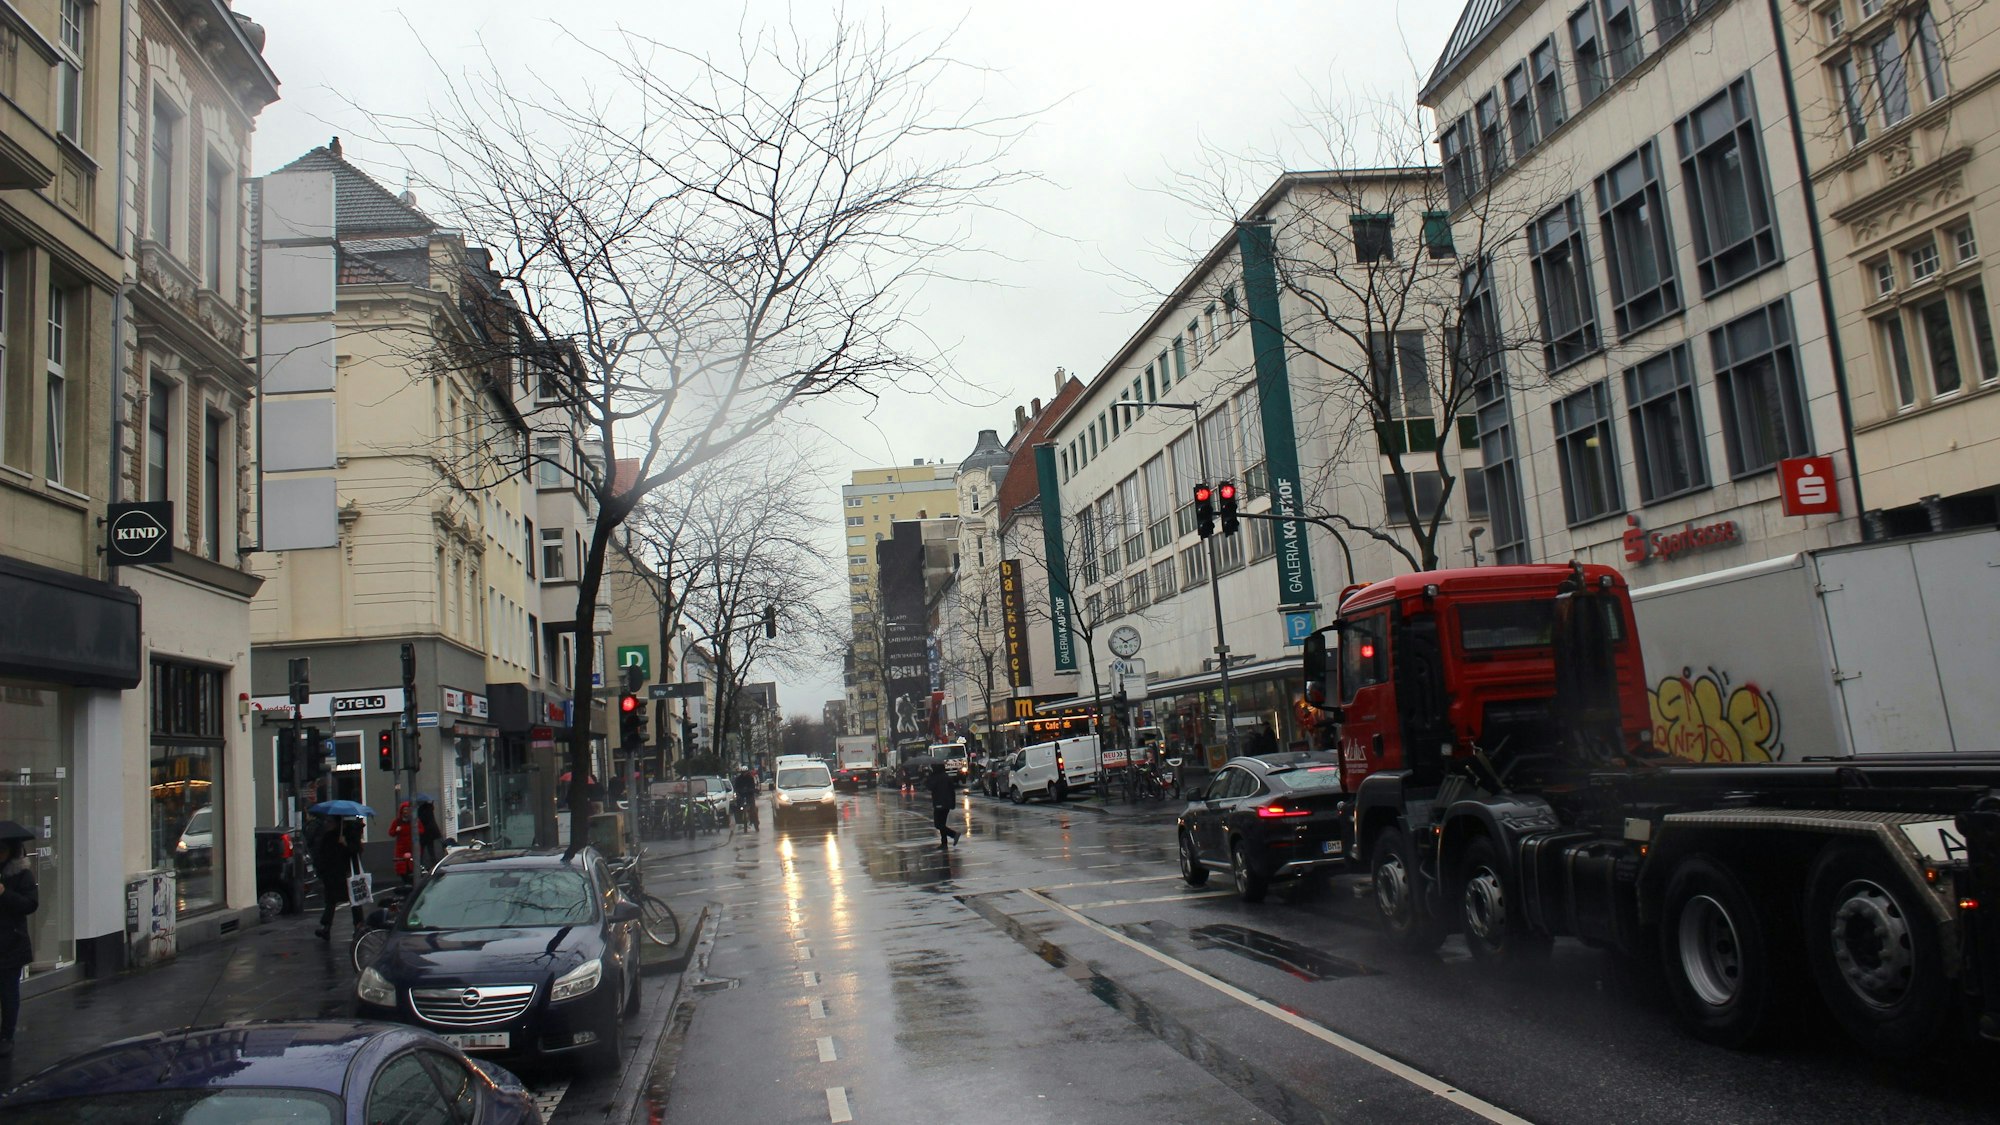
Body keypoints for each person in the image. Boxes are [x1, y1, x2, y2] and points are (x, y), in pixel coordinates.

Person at [0, 832, 38, 1057]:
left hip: (11, 943)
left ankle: (7, 1035)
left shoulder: (22, 874)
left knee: (8, 992)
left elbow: (30, 904)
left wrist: (4, 894)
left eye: (3, 850)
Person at [313, 816, 366, 942]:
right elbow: (322, 854)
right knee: (331, 901)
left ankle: (358, 926)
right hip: (333, 874)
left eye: (330, 822)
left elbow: (356, 851)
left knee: (353, 900)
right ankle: (326, 927)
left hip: (347, 873)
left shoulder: (350, 834)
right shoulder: (329, 836)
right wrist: (322, 871)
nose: (328, 824)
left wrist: (345, 844)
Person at [927, 764, 961, 848]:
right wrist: (952, 803)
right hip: (947, 803)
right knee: (942, 824)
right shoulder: (947, 777)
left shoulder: (935, 777)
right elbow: (952, 791)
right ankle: (944, 843)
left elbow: (930, 787)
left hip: (939, 802)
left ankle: (954, 834)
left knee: (938, 824)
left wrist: (929, 777)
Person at [389, 802, 414, 886]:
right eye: (404, 810)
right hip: (401, 848)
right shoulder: (397, 822)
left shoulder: (413, 821)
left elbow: (421, 830)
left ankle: (411, 883)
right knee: (402, 867)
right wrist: (396, 830)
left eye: (407, 810)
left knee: (412, 866)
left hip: (412, 847)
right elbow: (391, 833)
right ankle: (406, 882)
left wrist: (415, 831)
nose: (406, 812)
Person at [416, 801, 443, 868]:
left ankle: (420, 864)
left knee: (422, 850)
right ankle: (433, 864)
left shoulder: (421, 810)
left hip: (424, 833)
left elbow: (422, 820)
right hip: (431, 833)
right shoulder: (429, 809)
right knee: (431, 850)